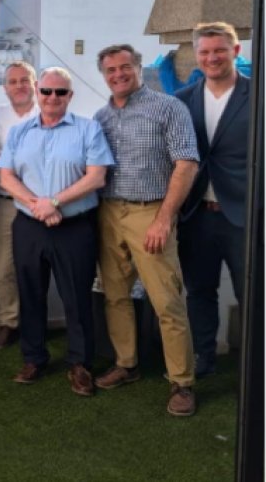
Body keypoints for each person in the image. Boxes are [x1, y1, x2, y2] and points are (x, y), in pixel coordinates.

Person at [94, 44, 199, 417]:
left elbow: (186, 163)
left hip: (151, 211)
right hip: (109, 212)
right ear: (103, 75)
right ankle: (127, 364)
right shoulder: (101, 116)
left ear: (139, 68)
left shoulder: (169, 107)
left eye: (125, 67)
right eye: (111, 70)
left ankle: (182, 382)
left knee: (166, 301)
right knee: (115, 295)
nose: (118, 75)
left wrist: (164, 218)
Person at [0, 67, 113, 396]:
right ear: (37, 92)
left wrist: (55, 202)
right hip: (29, 225)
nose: (52, 97)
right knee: (30, 293)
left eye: (60, 92)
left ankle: (80, 364)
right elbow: (5, 176)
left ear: (70, 96)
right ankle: (33, 358)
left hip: (74, 227)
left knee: (76, 296)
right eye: (46, 91)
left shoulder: (88, 129)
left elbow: (96, 177)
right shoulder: (19, 132)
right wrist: (38, 205)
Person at [176, 22, 249, 378]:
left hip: (244, 216)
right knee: (199, 291)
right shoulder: (182, 100)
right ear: (196, 55)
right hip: (197, 215)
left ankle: (253, 362)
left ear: (235, 51)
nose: (212, 57)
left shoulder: (257, 95)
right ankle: (204, 357)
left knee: (252, 293)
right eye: (204, 52)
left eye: (219, 50)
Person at [0, 61, 40, 350]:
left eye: (24, 80)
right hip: (6, 202)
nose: (19, 86)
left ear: (34, 84)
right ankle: (9, 322)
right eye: (13, 81)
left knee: (38, 266)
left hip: (41, 203)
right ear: (5, 87)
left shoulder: (47, 113)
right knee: (4, 267)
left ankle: (35, 323)